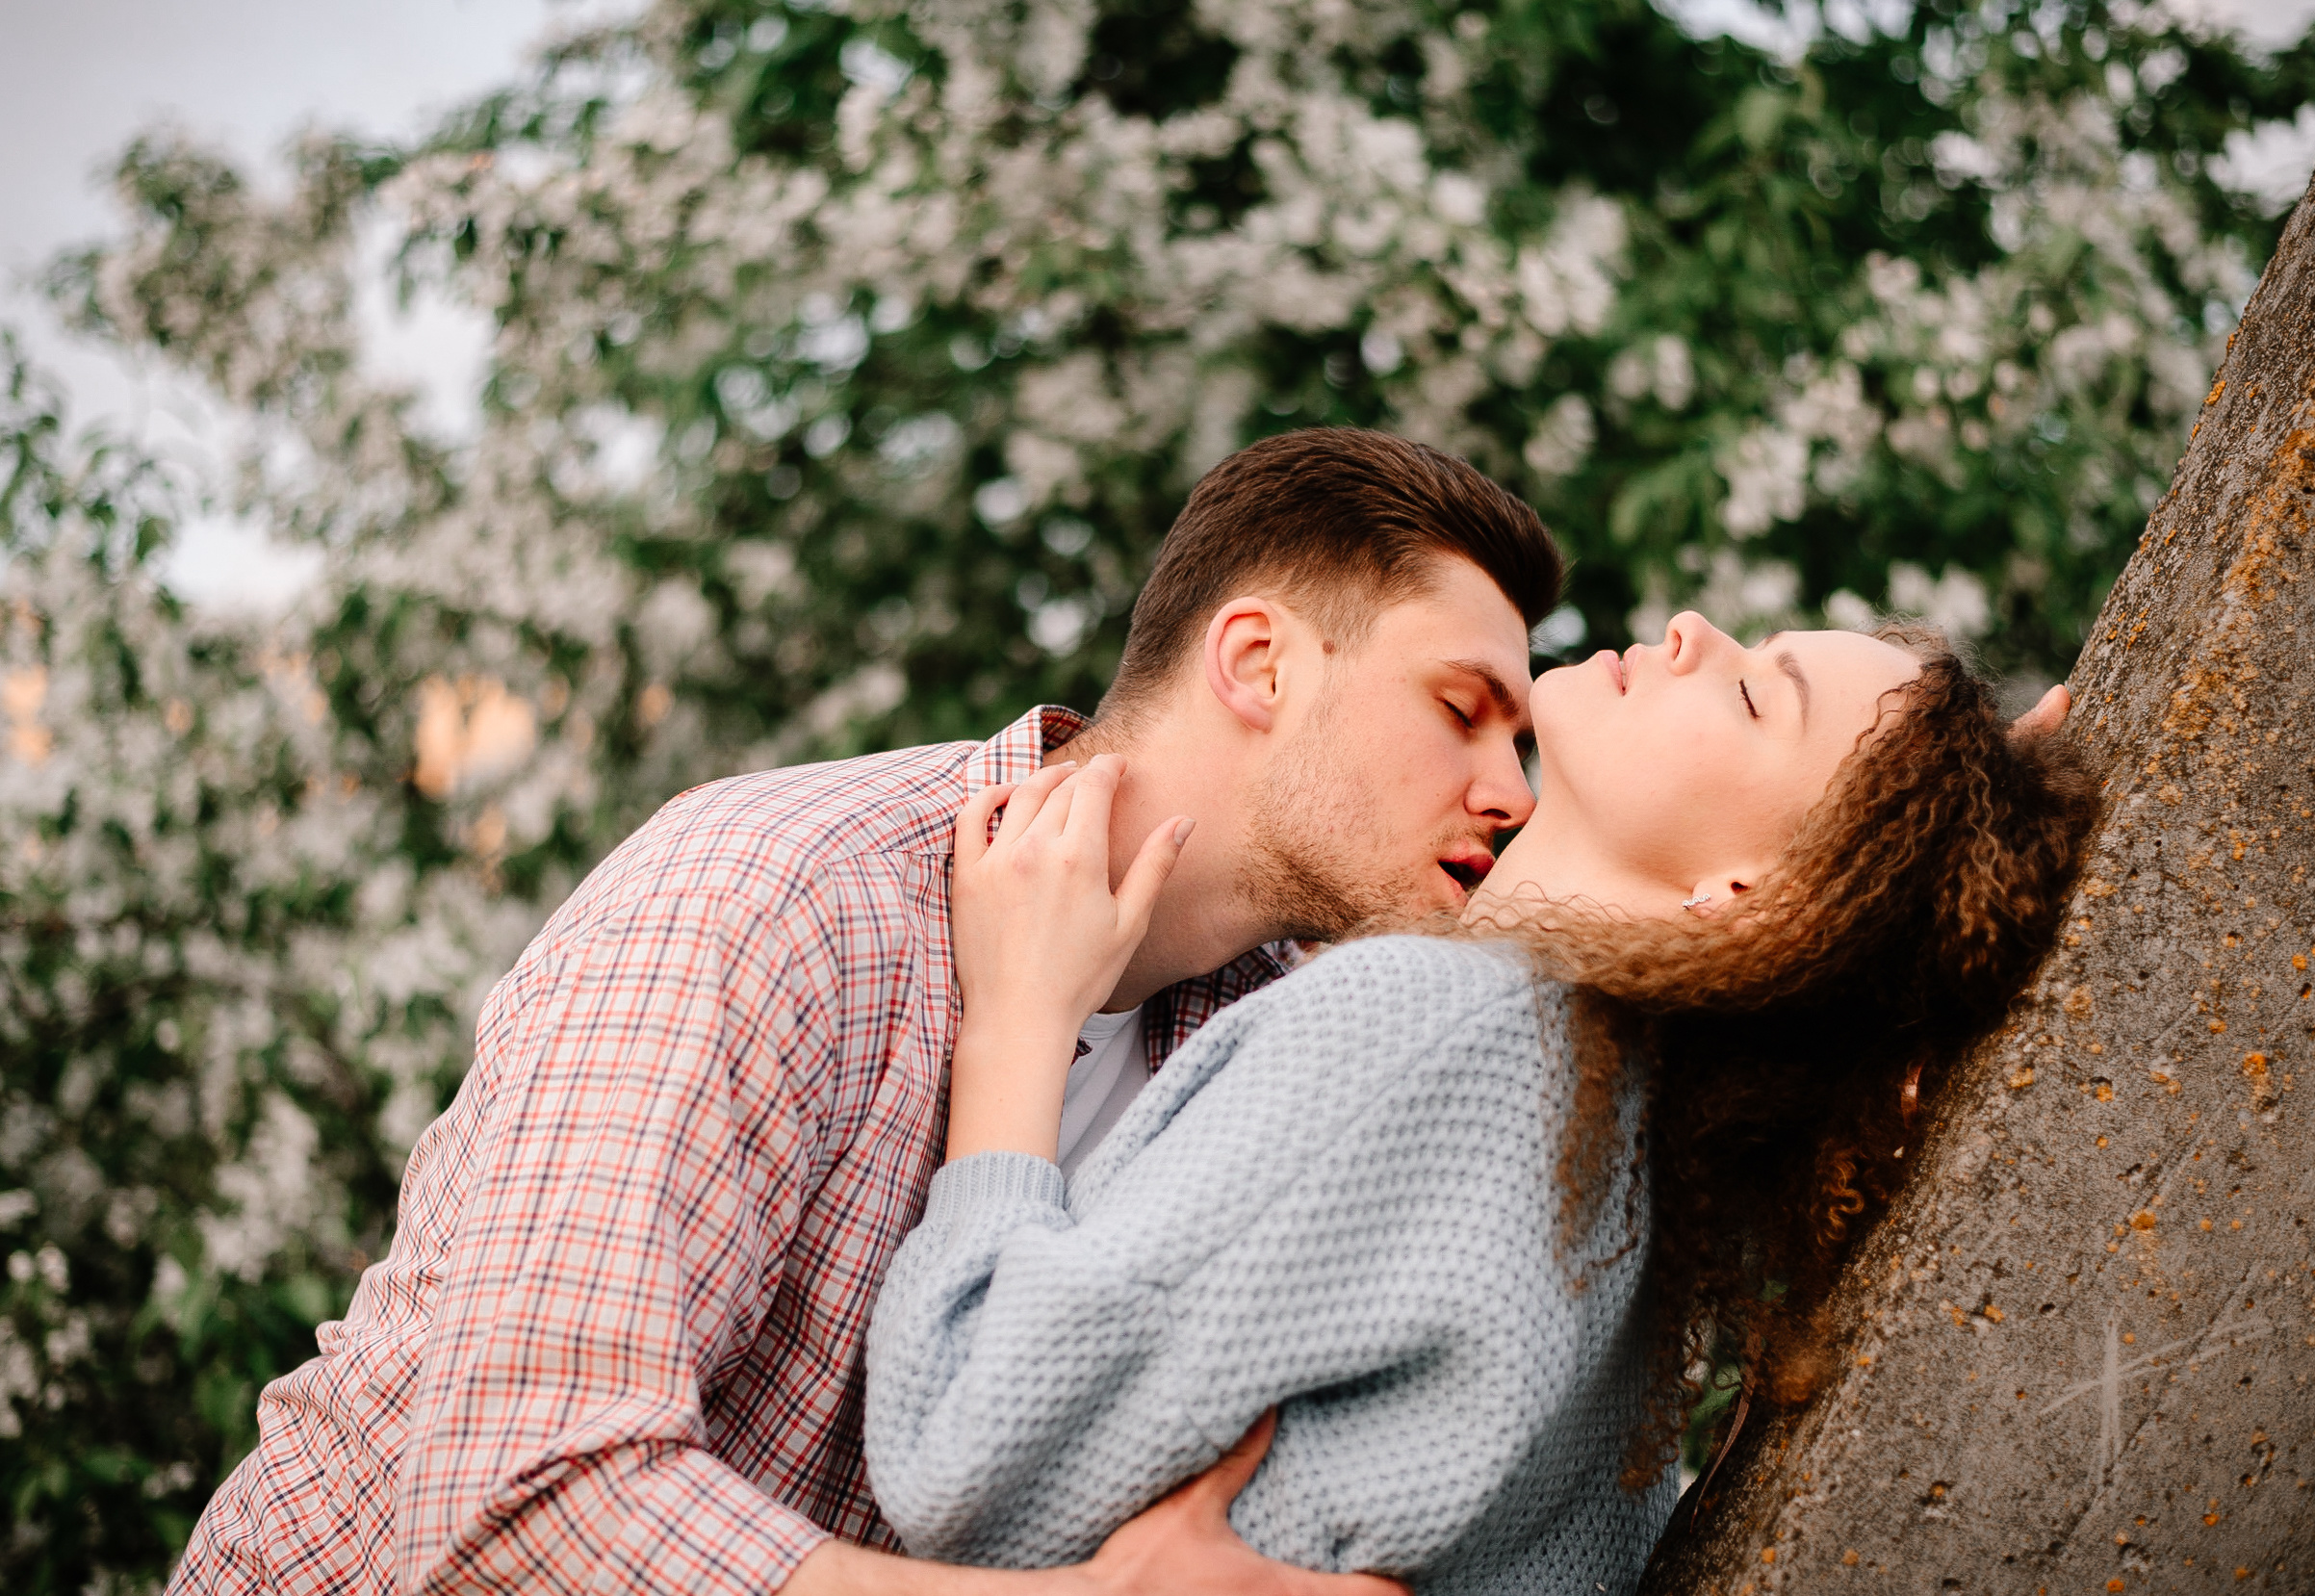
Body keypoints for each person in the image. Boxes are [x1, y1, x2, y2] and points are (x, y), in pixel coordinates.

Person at [167, 427, 1562, 1596]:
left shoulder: (1276, 1034)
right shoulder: (781, 897)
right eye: (1463, 707)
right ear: (1258, 663)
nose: (1511, 789)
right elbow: (514, 1509)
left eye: (1524, 742)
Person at [862, 612, 2096, 1594]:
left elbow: (970, 1455)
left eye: (1755, 692)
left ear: (1755, 899)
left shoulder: (1452, 1028)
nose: (1689, 632)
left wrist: (1018, 1022)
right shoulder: (1623, 1183)